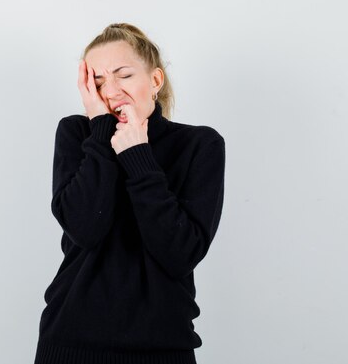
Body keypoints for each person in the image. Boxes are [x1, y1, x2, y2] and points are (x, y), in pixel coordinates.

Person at [33, 23, 226, 364]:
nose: (111, 90)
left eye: (123, 75)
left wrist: (138, 155)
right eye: (97, 81)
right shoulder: (76, 134)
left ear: (155, 81)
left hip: (163, 348)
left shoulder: (199, 145)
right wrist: (102, 132)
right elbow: (85, 228)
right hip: (70, 343)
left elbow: (180, 254)